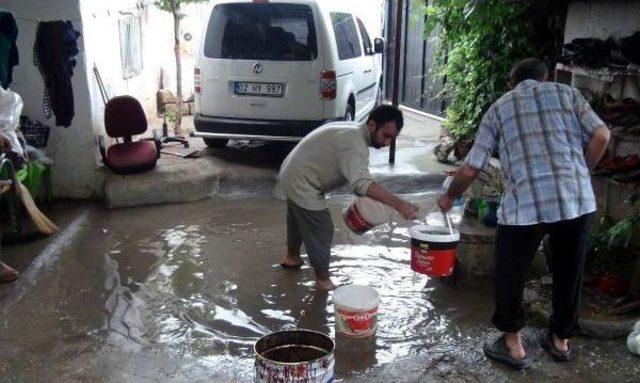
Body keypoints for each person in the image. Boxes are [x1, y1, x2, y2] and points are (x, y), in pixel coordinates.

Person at [438, 58, 610, 369]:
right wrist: (581, 174)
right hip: (576, 200)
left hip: (526, 205)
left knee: (510, 272)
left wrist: (450, 195)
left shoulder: (499, 107)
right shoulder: (567, 94)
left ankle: (514, 346)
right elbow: (602, 136)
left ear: (511, 85)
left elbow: (473, 167)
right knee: (569, 271)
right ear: (544, 79)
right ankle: (560, 341)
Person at [279, 105, 419, 291]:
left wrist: (380, 196)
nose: (387, 143)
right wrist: (399, 204)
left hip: (292, 170)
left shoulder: (353, 131)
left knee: (298, 216)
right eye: (386, 136)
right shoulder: (355, 144)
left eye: (392, 139)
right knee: (322, 227)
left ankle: (292, 257)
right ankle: (323, 281)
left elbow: (359, 178)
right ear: (372, 124)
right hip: (303, 181)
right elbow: (361, 183)